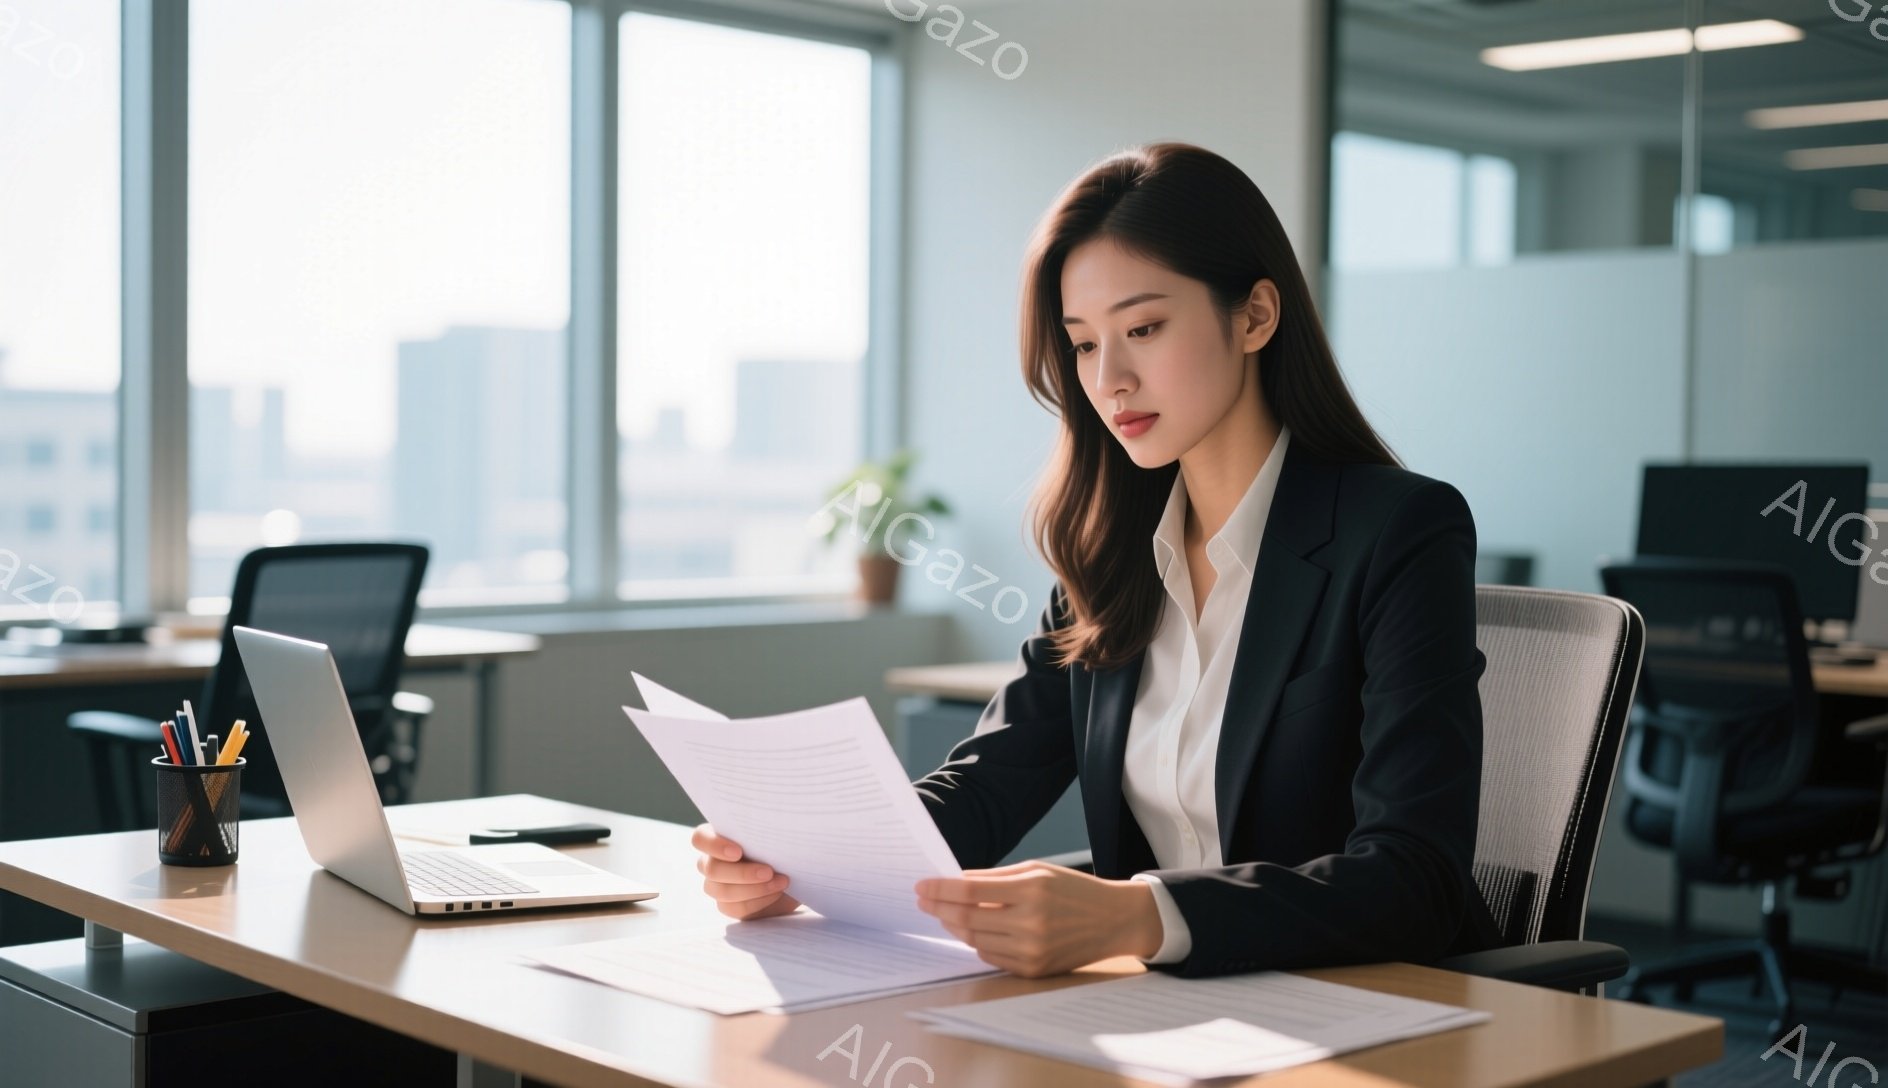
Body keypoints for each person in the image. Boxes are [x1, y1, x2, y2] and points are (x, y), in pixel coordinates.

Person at [690, 141, 1506, 979]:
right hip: (1173, 1018)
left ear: (1255, 316)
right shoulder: (1112, 555)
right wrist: (805, 861)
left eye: (1144, 329)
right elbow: (987, 784)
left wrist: (1143, 916)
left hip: (1375, 1012)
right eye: (1082, 344)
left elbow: (1417, 878)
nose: (1109, 378)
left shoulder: (1399, 530)